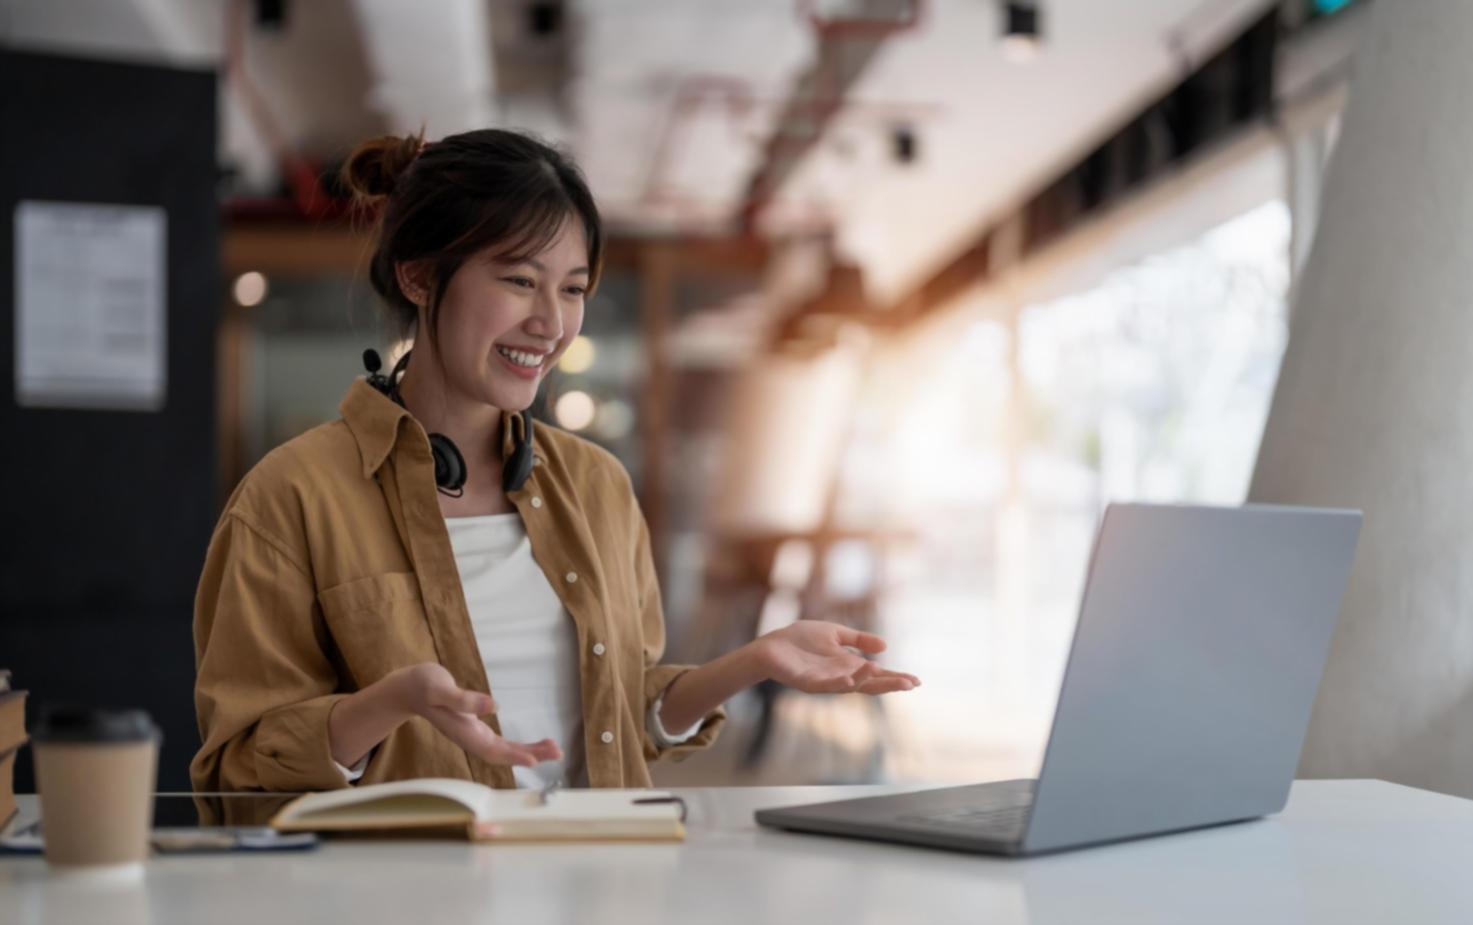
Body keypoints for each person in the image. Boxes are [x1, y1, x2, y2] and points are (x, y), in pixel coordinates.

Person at [190, 128, 920, 795]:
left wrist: (752, 662)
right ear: (418, 279)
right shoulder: (289, 497)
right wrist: (383, 707)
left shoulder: (596, 485)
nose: (550, 322)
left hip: (598, 885)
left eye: (571, 288)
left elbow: (620, 719)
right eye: (517, 280)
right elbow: (237, 771)